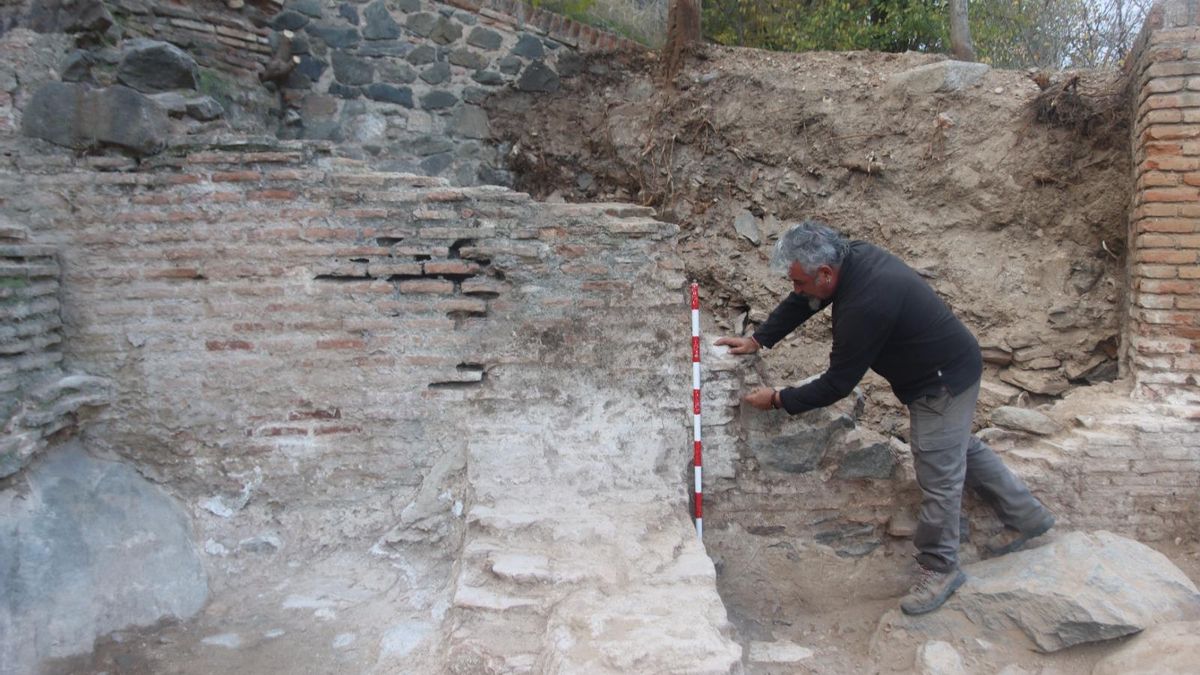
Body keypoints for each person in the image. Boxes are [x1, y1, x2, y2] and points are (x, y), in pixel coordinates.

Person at [716, 220, 1055, 615]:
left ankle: (940, 567)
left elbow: (837, 384)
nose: (796, 290)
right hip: (951, 364)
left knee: (938, 473)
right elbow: (806, 300)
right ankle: (1028, 517)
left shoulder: (864, 305)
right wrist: (760, 338)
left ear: (825, 273)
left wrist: (778, 399)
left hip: (940, 384)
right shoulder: (850, 259)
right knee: (957, 449)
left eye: (799, 282)